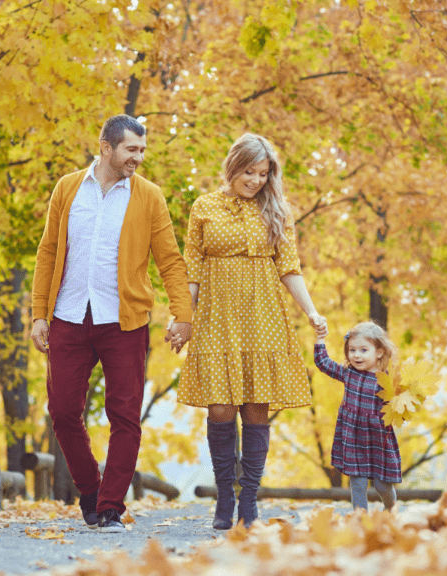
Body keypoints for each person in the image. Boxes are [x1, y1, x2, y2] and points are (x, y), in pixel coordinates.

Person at [29, 115, 193, 534]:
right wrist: (38, 314)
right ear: (106, 147)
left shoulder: (149, 197)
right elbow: (48, 252)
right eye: (131, 150)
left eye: (141, 150)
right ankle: (89, 489)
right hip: (68, 316)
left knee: (124, 417)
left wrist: (183, 315)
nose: (138, 157)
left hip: (124, 321)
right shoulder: (67, 188)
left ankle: (110, 508)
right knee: (63, 412)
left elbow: (170, 260)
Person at [177, 133, 328, 529]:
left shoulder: (276, 210)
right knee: (220, 406)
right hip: (216, 318)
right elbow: (191, 269)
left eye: (263, 174)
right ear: (233, 166)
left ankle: (249, 501)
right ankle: (224, 495)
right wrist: (183, 318)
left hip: (264, 317)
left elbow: (290, 267)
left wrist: (311, 311)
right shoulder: (204, 207)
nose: (256, 180)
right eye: (249, 171)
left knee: (256, 407)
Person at [313, 321, 401, 512]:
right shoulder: (348, 374)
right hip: (354, 437)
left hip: (378, 439)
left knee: (381, 486)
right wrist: (320, 338)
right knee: (358, 484)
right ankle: (360, 521)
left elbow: (400, 404)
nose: (356, 355)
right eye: (352, 350)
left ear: (378, 352)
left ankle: (392, 509)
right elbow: (323, 363)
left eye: (363, 350)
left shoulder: (386, 380)